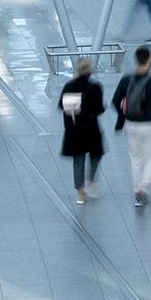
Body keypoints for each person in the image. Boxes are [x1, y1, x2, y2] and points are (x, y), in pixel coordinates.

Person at [113, 45, 151, 207]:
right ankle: (144, 186)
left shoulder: (126, 79)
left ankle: (137, 192)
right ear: (149, 60)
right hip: (149, 124)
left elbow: (115, 101)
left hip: (130, 125)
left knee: (135, 158)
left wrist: (123, 115)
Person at [61, 57, 107, 203]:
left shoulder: (69, 86)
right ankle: (91, 180)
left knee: (78, 160)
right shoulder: (95, 87)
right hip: (91, 129)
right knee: (96, 154)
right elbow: (99, 109)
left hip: (74, 130)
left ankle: (80, 193)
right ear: (90, 69)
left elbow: (64, 108)